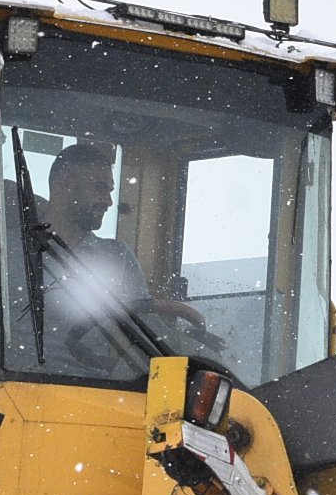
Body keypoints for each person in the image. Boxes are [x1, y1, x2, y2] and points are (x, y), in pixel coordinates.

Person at [36, 143, 227, 370]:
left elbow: (143, 325)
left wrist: (185, 340)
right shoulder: (9, 251)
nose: (108, 201)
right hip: (22, 388)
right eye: (100, 188)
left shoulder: (117, 257)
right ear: (65, 184)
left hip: (101, 388)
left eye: (110, 191)